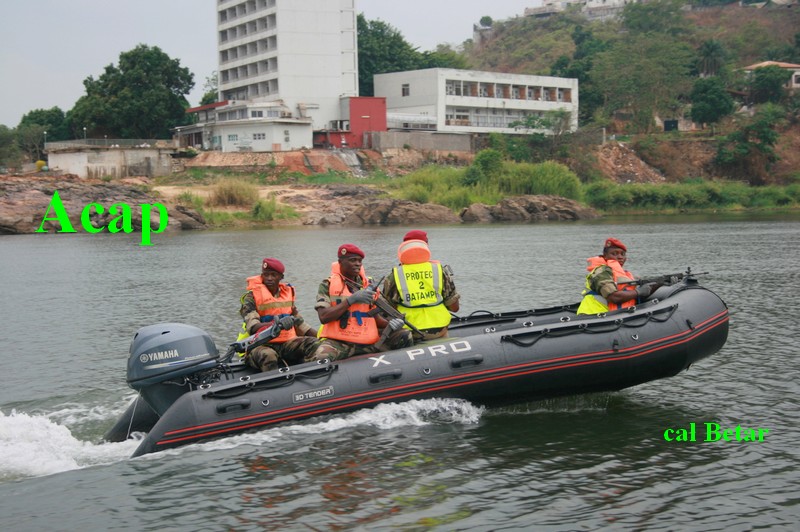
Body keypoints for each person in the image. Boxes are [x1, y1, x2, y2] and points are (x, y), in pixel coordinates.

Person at [308, 243, 413, 362]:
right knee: (321, 356)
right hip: (340, 342)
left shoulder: (368, 284)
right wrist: (350, 300)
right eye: (353, 260)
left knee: (404, 335)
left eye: (360, 261)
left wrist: (391, 324)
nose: (357, 264)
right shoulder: (327, 284)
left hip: (367, 338)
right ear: (340, 262)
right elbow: (323, 317)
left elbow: (375, 317)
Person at [237, 258, 322, 372]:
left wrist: (321, 339)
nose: (269, 278)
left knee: (315, 344)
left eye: (273, 275)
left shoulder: (287, 294)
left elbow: (299, 323)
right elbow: (253, 327)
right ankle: (271, 384)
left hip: (286, 343)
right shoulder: (251, 297)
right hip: (260, 345)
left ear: (281, 277)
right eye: (266, 275)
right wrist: (276, 324)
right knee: (268, 355)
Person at [382, 230, 460, 342]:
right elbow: (455, 308)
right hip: (440, 329)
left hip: (410, 331)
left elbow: (388, 311)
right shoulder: (439, 270)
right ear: (426, 245)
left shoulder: (395, 275)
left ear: (403, 248)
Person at [576, 238, 660, 315]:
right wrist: (639, 292)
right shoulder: (601, 272)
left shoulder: (624, 274)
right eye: (614, 254)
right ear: (605, 256)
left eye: (622, 254)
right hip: (593, 316)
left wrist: (661, 283)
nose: (620, 257)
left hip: (612, 316)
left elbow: (635, 295)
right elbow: (613, 297)